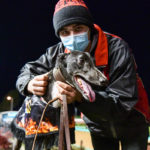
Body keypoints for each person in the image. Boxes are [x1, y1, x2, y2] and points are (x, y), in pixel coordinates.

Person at [16, 0, 150, 149]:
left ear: (90, 28)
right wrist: (28, 84)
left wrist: (80, 98)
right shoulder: (58, 53)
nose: (72, 37)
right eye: (65, 32)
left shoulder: (117, 49)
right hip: (98, 126)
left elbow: (124, 103)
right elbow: (27, 70)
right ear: (59, 35)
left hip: (131, 122)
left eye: (78, 28)